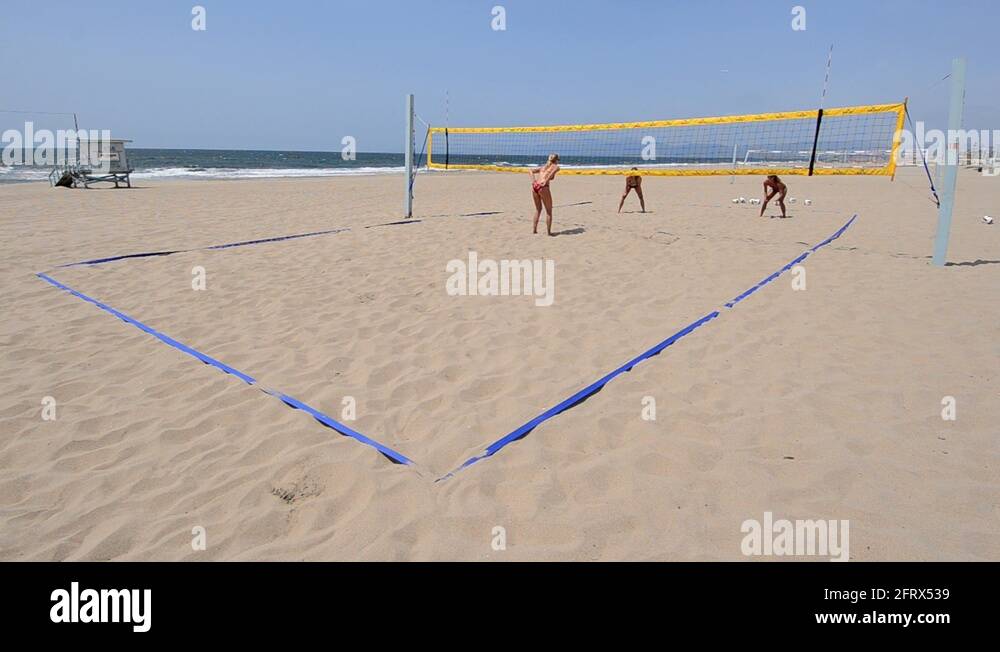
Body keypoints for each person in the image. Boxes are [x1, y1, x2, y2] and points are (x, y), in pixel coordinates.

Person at [530, 154, 560, 235]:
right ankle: (549, 232)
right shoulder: (556, 167)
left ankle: (534, 230)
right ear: (556, 160)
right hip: (543, 187)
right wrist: (546, 181)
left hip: (535, 187)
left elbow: (530, 170)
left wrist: (533, 181)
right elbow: (551, 174)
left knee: (538, 209)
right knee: (549, 211)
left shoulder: (543, 167)